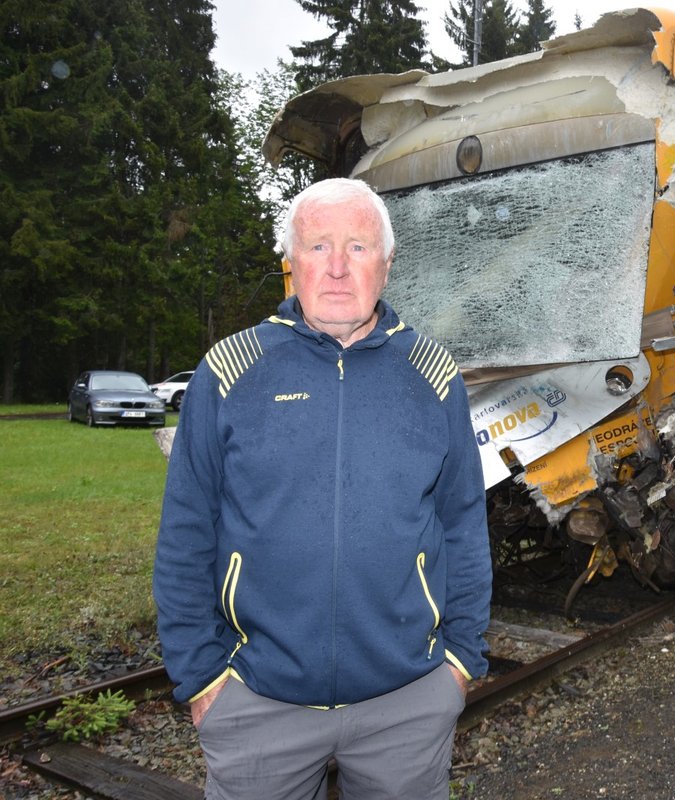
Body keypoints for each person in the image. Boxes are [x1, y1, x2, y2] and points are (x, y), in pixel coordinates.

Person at [153, 178, 492, 800]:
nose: (337, 268)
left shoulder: (434, 375)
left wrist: (460, 662)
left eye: (358, 247)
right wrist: (203, 678)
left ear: (386, 266)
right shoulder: (229, 372)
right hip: (258, 701)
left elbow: (463, 523)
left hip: (408, 703)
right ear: (291, 265)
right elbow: (185, 534)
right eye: (317, 247)